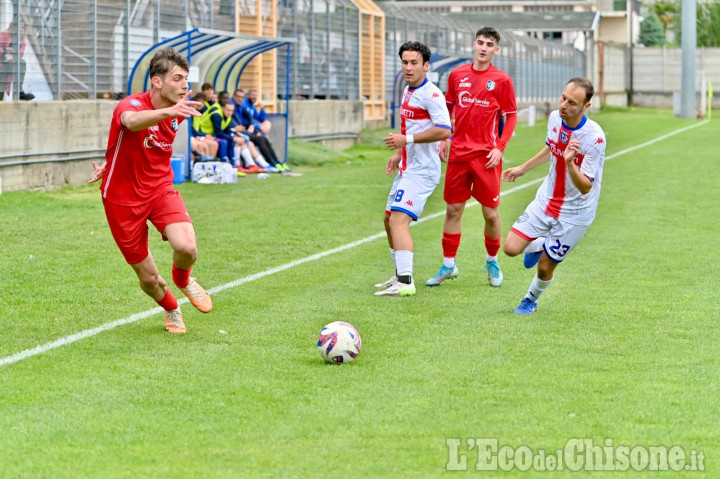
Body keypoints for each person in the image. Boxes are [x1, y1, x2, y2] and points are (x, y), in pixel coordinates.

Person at [88, 48, 213, 334]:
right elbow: (129, 123)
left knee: (187, 247)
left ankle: (183, 280)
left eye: (186, 79)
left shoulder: (176, 111)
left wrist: (110, 161)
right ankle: (171, 307)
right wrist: (112, 167)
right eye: (178, 78)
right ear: (157, 82)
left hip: (159, 189)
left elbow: (132, 144)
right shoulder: (131, 105)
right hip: (122, 201)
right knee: (148, 280)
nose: (185, 86)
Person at [501, 78, 606, 314]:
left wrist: (570, 164)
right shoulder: (555, 119)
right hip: (546, 200)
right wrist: (523, 168)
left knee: (545, 267)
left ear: (585, 106)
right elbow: (552, 147)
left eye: (572, 102)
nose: (564, 105)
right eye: (563, 98)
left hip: (575, 213)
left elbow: (586, 187)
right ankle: (540, 245)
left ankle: (530, 300)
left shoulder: (594, 138)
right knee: (510, 247)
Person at [426, 26, 517, 289]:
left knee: (490, 214)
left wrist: (500, 147)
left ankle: (492, 261)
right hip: (458, 154)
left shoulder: (501, 80)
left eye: (489, 44)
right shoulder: (457, 75)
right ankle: (448, 264)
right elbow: (448, 109)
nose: (484, 47)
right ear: (473, 45)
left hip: (487, 156)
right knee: (453, 209)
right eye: (480, 42)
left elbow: (511, 115)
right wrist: (444, 138)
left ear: (496, 50)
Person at [374, 41, 451, 297]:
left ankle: (406, 282)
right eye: (405, 62)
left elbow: (444, 129)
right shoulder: (408, 90)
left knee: (398, 219)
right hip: (407, 167)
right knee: (388, 219)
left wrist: (405, 141)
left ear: (426, 66)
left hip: (423, 171)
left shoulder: (431, 94)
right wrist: (399, 153)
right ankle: (399, 275)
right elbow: (410, 128)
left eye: (414, 63)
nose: (408, 67)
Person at [0, 22, 33, 101]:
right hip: (2, 65)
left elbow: (20, 54)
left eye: (23, 28)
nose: (21, 30)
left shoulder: (22, 42)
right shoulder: (3, 35)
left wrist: (9, 53)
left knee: (22, 62)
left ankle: (19, 92)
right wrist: (6, 53)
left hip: (9, 66)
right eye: (19, 27)